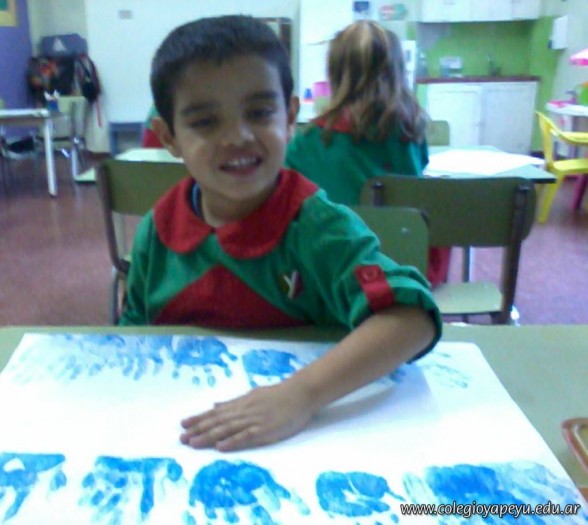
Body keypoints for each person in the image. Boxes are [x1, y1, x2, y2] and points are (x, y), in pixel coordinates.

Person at [120, 15, 441, 453]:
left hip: (306, 445)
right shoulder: (157, 231)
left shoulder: (317, 228)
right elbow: (129, 339)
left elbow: (413, 319)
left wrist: (301, 395)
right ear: (169, 137)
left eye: (259, 113)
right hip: (181, 442)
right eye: (205, 121)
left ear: (290, 118)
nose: (237, 137)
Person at [285, 21, 451, 287]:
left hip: (335, 270)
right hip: (408, 264)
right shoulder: (411, 133)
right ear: (396, 73)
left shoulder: (306, 143)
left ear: (335, 74)